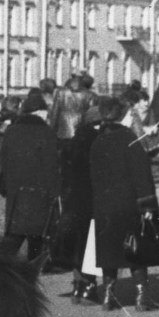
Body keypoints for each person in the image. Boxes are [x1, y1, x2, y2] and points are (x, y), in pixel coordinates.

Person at [89, 95, 159, 311]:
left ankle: (108, 296)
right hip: (129, 203)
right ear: (122, 115)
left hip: (104, 205)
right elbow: (142, 175)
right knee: (137, 248)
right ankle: (141, 296)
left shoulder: (98, 141)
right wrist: (148, 205)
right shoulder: (130, 138)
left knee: (108, 250)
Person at [0, 90, 59, 261]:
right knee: (37, 238)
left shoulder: (12, 131)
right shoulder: (47, 132)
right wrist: (56, 192)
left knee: (13, 236)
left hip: (15, 191)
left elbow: (4, 159)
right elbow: (52, 166)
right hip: (39, 193)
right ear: (39, 112)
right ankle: (31, 275)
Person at [57, 102, 102, 302]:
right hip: (94, 198)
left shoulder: (72, 143)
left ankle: (77, 285)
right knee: (91, 244)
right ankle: (89, 286)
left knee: (77, 243)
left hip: (72, 199)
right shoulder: (100, 141)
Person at [48, 71, 96, 142]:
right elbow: (92, 114)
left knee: (63, 145)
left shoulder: (60, 93)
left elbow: (55, 111)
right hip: (81, 123)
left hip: (63, 123)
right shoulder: (90, 94)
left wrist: (52, 127)